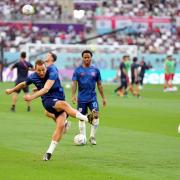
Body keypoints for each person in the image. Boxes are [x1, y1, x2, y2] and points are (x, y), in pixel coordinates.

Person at [5, 59, 97, 161]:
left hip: (59, 101)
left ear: (46, 67)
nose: (41, 72)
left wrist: (34, 94)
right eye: (39, 70)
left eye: (43, 70)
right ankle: (87, 118)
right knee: (65, 105)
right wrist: (11, 90)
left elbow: (46, 88)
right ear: (35, 69)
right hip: (48, 102)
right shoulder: (33, 76)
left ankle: (48, 153)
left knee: (60, 127)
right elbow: (24, 84)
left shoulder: (52, 71)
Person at [72, 50, 106, 145]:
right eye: (85, 57)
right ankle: (83, 137)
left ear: (91, 58)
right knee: (82, 118)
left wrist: (103, 97)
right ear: (82, 58)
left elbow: (99, 84)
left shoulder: (95, 70)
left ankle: (92, 137)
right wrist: (73, 95)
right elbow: (74, 83)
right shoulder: (78, 70)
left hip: (92, 98)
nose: (87, 59)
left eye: (88, 57)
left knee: (95, 115)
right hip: (81, 98)